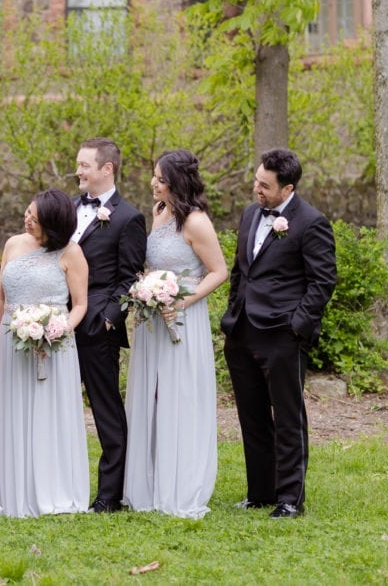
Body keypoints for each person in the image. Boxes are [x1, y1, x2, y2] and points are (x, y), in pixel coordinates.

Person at [221, 148, 336, 519]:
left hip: (282, 335)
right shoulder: (251, 213)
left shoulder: (311, 222)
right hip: (242, 331)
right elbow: (242, 269)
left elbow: (322, 282)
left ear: (287, 189)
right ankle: (260, 492)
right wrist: (231, 313)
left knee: (288, 417)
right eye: (256, 181)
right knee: (251, 415)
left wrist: (296, 327)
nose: (257, 189)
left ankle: (290, 498)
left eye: (265, 185)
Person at [122, 150, 227, 519]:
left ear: (177, 183)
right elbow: (155, 264)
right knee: (152, 395)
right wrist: (147, 290)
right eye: (154, 176)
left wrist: (182, 301)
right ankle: (150, 480)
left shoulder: (196, 222)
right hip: (153, 318)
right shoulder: (160, 213)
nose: (153, 183)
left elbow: (218, 271)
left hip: (182, 317)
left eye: (160, 178)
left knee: (179, 395)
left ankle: (180, 483)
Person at [0, 189, 91, 517]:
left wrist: (57, 330)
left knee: (49, 413)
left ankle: (54, 489)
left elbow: (81, 305)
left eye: (35, 217)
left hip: (55, 345)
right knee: (14, 411)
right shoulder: (13, 244)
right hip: (12, 341)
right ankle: (13, 491)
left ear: (54, 222)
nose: (27, 219)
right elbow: (2, 299)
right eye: (28, 213)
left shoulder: (71, 252)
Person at [71, 138, 147, 513]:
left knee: (105, 409)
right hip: (53, 325)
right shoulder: (68, 208)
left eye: (85, 165)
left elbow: (129, 277)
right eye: (78, 165)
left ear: (107, 168)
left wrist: (108, 319)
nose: (78, 171)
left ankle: (109, 494)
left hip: (96, 327)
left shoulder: (127, 217)